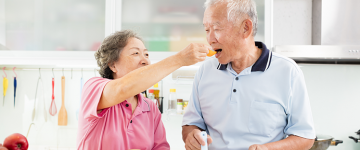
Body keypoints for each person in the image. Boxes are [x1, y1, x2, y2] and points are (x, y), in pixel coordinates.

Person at [181, 0, 316, 150]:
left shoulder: (288, 71)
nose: (210, 39)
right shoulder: (205, 71)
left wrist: (267, 149)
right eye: (207, 30)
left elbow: (305, 136)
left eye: (217, 28)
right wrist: (191, 135)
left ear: (245, 28)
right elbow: (191, 123)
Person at [76, 30, 209, 150]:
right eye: (136, 53)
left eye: (146, 54)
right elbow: (122, 89)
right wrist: (180, 59)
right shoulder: (94, 88)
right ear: (113, 65)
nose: (145, 60)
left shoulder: (150, 108)